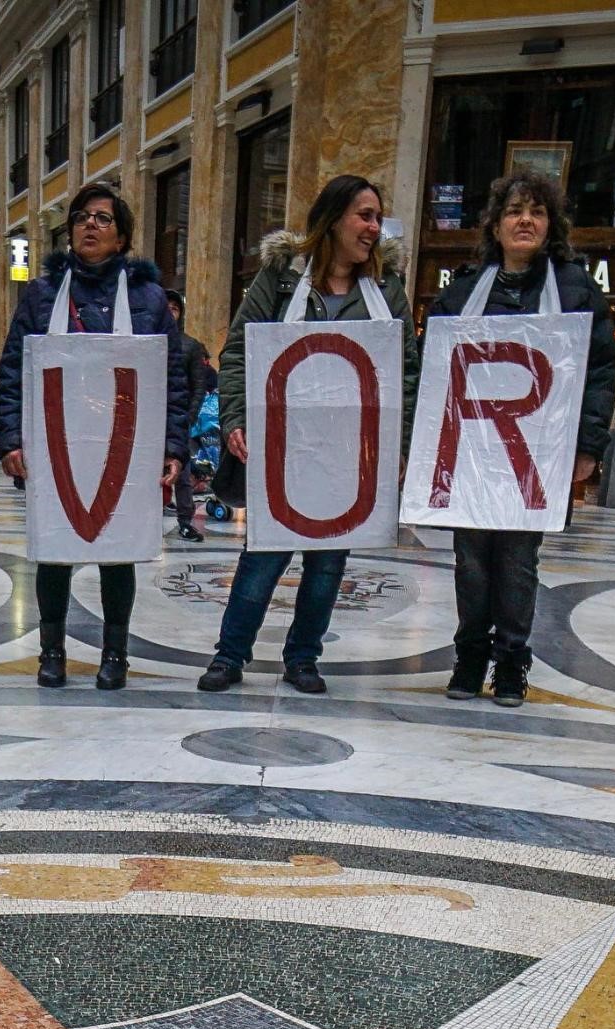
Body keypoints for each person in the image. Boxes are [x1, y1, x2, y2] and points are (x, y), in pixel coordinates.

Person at [203, 174, 419, 695]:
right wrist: (235, 419)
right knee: (263, 556)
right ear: (333, 218)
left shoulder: (387, 288)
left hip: (349, 454)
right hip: (284, 448)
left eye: (376, 217)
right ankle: (229, 655)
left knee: (328, 563)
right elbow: (237, 351)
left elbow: (405, 370)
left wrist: (399, 445)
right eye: (364, 216)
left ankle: (303, 657)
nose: (373, 228)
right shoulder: (280, 277)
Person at [425, 170, 615, 706]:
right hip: (471, 454)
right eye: (514, 211)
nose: (524, 220)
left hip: (539, 453)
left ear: (550, 224)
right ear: (496, 224)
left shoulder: (577, 290)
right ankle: (468, 657)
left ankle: (511, 662)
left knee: (516, 560)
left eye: (536, 211)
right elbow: (435, 370)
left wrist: (588, 446)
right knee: (471, 560)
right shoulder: (463, 291)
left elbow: (598, 372)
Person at [0, 179, 189, 689]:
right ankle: (51, 650)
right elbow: (14, 369)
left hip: (124, 444)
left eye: (103, 218)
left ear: (122, 237)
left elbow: (172, 380)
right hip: (58, 444)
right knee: (54, 550)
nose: (90, 225)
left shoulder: (147, 299)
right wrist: (11, 438)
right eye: (82, 216)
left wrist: (171, 446)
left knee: (117, 553)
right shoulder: (41, 294)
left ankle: (115, 652)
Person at [166, 289, 210, 543]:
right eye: (166, 306)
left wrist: (190, 416)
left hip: (178, 418)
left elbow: (198, 385)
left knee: (182, 472)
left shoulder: (190, 345)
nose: (171, 311)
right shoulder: (148, 341)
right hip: (148, 416)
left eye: (175, 307)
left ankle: (185, 521)